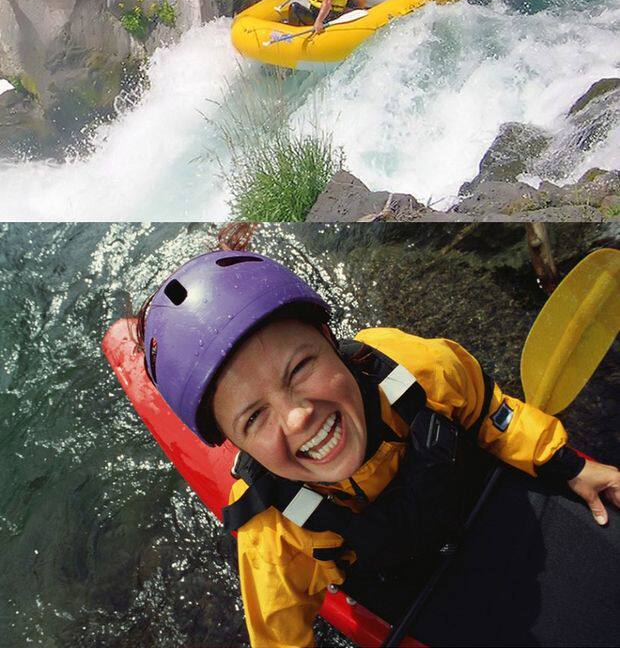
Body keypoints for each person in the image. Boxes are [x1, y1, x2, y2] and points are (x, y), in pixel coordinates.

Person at [137, 248, 620, 648]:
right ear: (236, 444)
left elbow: (486, 408)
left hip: (488, 510)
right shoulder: (272, 534)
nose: (297, 417)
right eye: (254, 417)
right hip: (412, 591)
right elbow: (280, 640)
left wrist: (565, 463)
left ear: (329, 339)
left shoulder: (410, 366)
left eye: (300, 368)